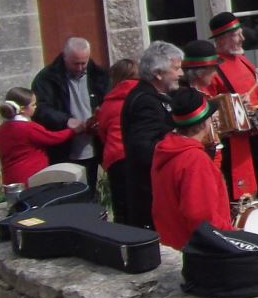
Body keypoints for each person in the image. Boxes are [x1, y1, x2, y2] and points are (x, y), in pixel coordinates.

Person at [203, 13, 258, 204]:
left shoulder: (243, 60)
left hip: (252, 130)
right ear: (223, 39)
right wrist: (232, 105)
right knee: (238, 191)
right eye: (238, 34)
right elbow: (207, 104)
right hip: (232, 138)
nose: (243, 38)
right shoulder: (213, 68)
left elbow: (256, 95)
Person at [150, 87, 234, 251]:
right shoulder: (195, 160)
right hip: (197, 251)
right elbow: (202, 219)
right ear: (205, 123)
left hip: (172, 242)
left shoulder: (164, 149)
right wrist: (234, 235)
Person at [30, 36, 109, 193]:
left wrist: (100, 120)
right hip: (63, 147)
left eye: (83, 63)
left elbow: (108, 102)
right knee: (65, 193)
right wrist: (66, 120)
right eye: (75, 63)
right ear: (64, 57)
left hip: (93, 144)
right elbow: (40, 109)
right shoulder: (47, 78)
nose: (80, 68)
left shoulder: (99, 76)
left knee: (90, 189)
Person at [118, 41, 182, 229]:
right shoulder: (145, 102)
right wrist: (182, 142)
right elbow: (145, 150)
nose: (181, 74)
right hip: (150, 195)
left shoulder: (153, 96)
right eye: (176, 69)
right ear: (158, 73)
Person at [0, 87, 81, 187]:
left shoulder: (1, 130)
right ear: (22, 109)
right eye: (33, 105)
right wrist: (73, 131)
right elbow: (53, 138)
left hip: (10, 178)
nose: (36, 107)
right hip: (30, 177)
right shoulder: (28, 128)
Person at [94, 58, 138, 207]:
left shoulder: (109, 102)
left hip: (116, 157)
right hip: (139, 153)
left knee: (121, 205)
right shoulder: (143, 96)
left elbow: (103, 132)